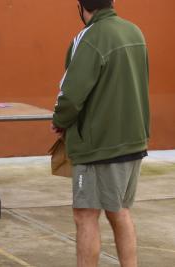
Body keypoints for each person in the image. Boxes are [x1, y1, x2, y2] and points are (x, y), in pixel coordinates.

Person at [51, 0, 149, 266]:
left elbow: (70, 96)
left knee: (85, 215)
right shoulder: (134, 32)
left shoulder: (90, 37)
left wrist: (60, 120)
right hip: (133, 139)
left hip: (98, 146)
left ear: (81, 6)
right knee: (120, 212)